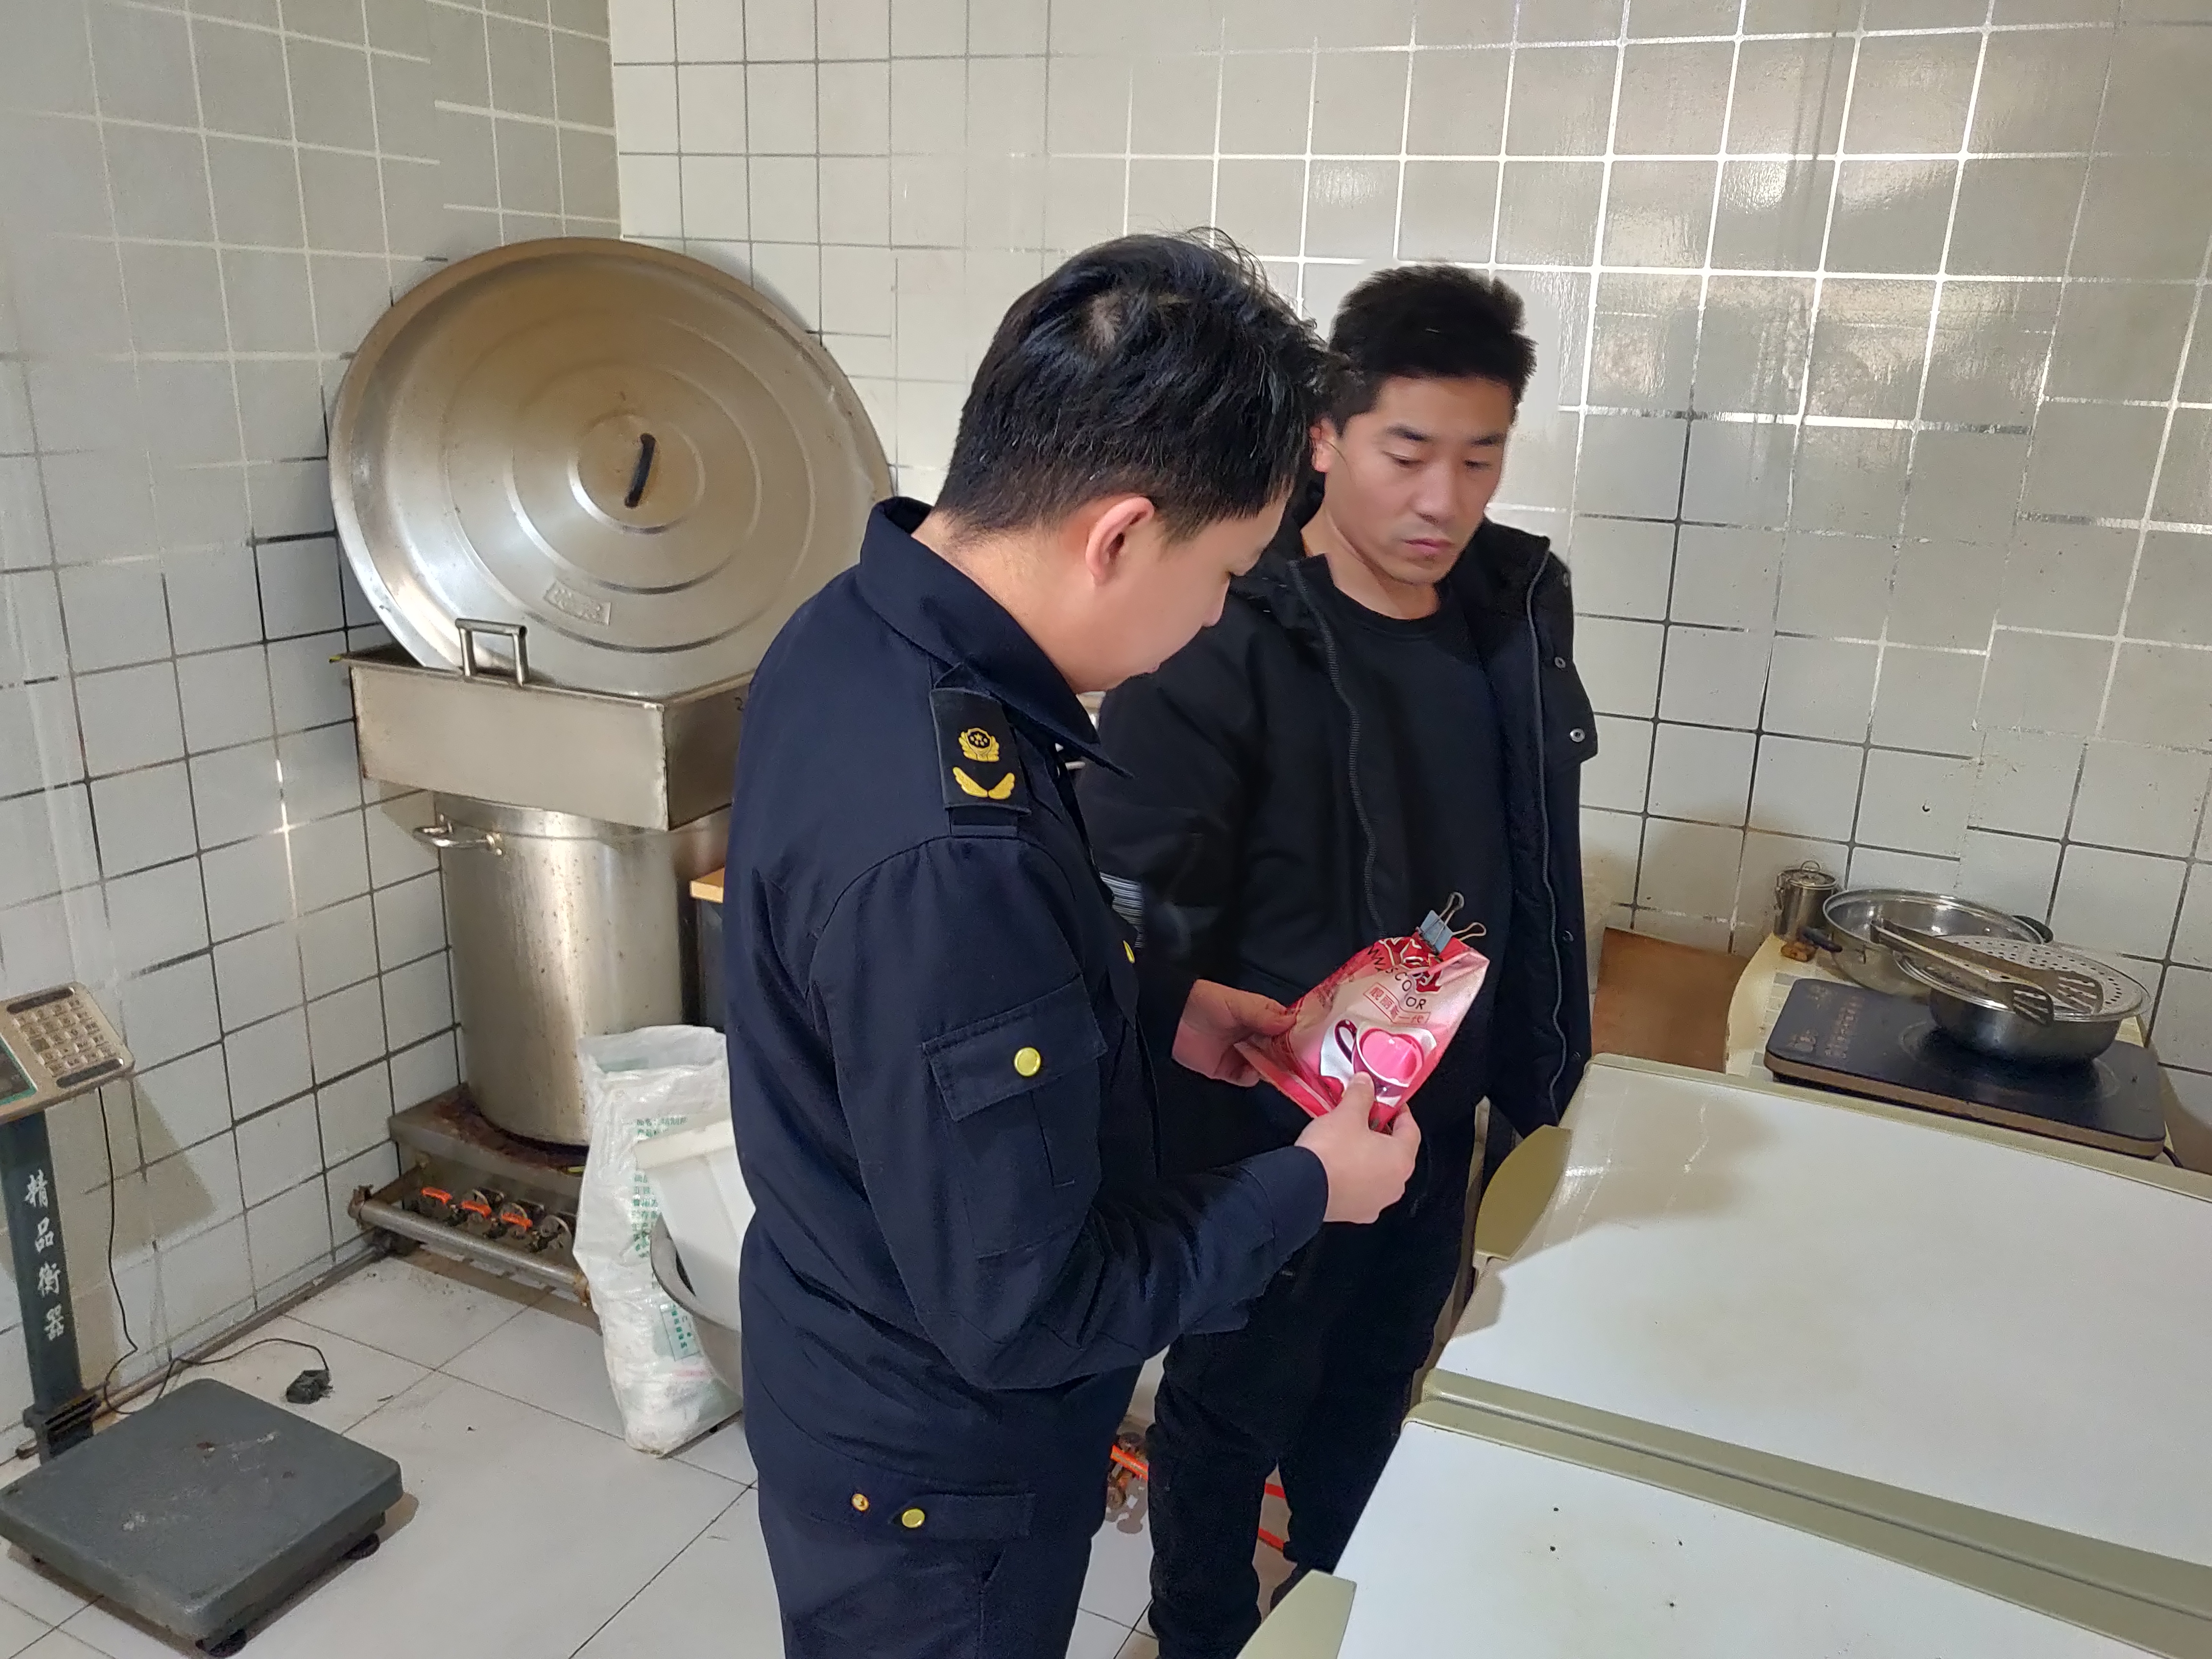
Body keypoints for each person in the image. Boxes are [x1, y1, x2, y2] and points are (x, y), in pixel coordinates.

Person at [719, 232, 1424, 1659]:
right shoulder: (950, 851)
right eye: (1224, 571)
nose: (1216, 615)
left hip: (841, 1347)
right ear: (1118, 535)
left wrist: (1158, 1006)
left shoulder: (857, 627)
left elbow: (905, 1021)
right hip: (941, 1482)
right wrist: (1309, 1187)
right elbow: (1031, 1312)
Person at [1077, 265, 1598, 1659]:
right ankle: (1198, 1632)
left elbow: (1532, 865)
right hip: (1269, 1124)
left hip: (1438, 1113)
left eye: (1478, 458)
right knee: (1232, 1405)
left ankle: (1335, 1616)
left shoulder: (1509, 610)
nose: (1442, 500)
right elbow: (1126, 902)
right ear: (1325, 436)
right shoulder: (1223, 628)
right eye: (1406, 452)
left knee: (1376, 1393)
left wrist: (1543, 1081)